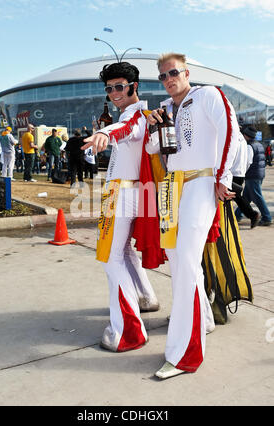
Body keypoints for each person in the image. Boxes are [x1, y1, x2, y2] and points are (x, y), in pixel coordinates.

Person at [146, 52, 239, 379]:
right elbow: (154, 151)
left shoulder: (207, 94)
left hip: (200, 183)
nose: (169, 79)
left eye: (173, 72)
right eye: (163, 76)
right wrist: (155, 126)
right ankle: (205, 320)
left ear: (186, 72)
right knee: (179, 261)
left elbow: (230, 129)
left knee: (185, 262)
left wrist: (224, 176)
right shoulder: (166, 108)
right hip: (172, 188)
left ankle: (185, 353)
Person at [81, 61, 163, 353]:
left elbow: (125, 127)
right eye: (109, 88)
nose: (114, 93)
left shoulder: (137, 115)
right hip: (129, 191)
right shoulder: (143, 115)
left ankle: (128, 331)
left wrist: (106, 134)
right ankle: (145, 297)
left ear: (133, 87)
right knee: (124, 252)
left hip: (122, 193)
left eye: (119, 87)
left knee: (109, 258)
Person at [235, 125, 272, 226]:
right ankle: (237, 215)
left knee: (257, 196)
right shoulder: (258, 144)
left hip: (252, 175)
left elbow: (247, 162)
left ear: (246, 135)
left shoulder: (249, 146)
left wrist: (242, 173)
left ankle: (267, 217)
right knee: (246, 197)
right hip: (259, 174)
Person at [232, 131, 261, 228]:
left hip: (233, 172)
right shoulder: (246, 144)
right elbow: (249, 161)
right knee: (238, 196)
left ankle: (253, 215)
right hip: (240, 173)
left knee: (235, 196)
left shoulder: (236, 139)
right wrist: (243, 171)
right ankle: (248, 215)